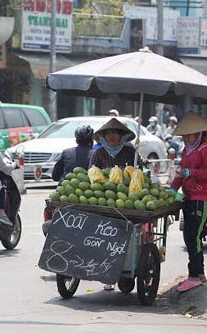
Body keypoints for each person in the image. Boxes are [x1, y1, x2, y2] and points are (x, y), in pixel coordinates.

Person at [88, 118, 138, 291]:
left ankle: (123, 267)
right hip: (104, 197)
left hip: (126, 199)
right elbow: (91, 173)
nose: (112, 136)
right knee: (105, 237)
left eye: (116, 133)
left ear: (122, 135)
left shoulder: (130, 152)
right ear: (103, 136)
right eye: (109, 133)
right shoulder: (98, 153)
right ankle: (107, 275)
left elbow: (136, 173)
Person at [170, 112, 207, 292]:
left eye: (190, 134)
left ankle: (193, 276)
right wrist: (174, 187)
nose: (187, 138)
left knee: (193, 237)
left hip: (202, 199)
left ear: (199, 134)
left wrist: (192, 173)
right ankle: (201, 273)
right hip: (188, 198)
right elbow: (182, 172)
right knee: (190, 236)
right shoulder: (186, 150)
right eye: (185, 135)